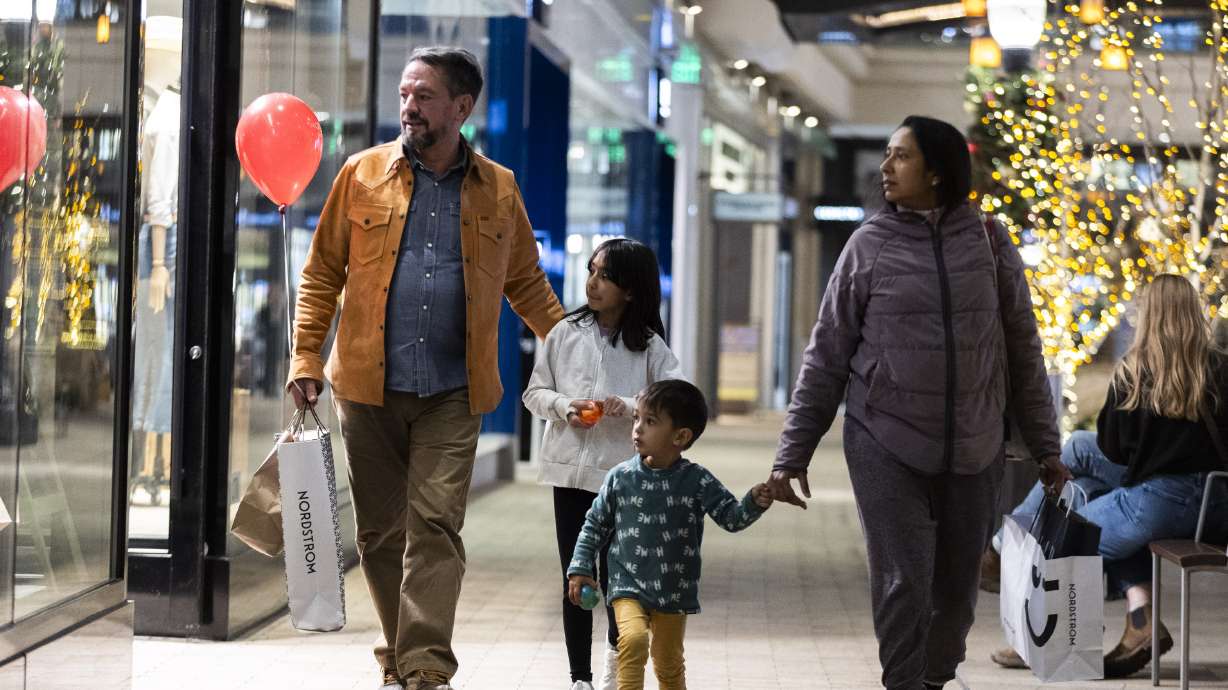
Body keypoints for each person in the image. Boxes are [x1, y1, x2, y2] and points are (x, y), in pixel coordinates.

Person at [287, 47, 564, 690]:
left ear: (462, 108)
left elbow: (527, 284)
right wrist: (306, 356)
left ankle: (425, 667)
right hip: (366, 384)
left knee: (436, 526)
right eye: (405, 94)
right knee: (381, 534)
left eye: (424, 96)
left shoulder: (499, 188)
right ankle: (401, 652)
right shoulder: (360, 174)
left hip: (455, 390)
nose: (409, 107)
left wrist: (574, 352)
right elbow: (322, 273)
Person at [766, 115, 1070, 690]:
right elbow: (826, 353)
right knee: (903, 579)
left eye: (899, 156)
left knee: (955, 596)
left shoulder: (988, 240)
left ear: (936, 169)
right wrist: (792, 454)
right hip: (886, 439)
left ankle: (932, 678)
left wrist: (1045, 446)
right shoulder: (868, 245)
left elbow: (1022, 348)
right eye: (886, 155)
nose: (885, 168)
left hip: (975, 445)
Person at [985, 273, 1228, 677]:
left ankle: (1044, 639)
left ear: (1148, 315)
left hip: (1160, 502)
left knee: (1070, 531)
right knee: (1081, 451)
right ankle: (1140, 619)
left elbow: (1115, 449)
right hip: (1216, 503)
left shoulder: (1135, 372)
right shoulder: (1221, 367)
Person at [523, 238, 684, 690]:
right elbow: (533, 393)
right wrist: (565, 406)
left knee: (620, 576)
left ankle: (619, 664)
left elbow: (675, 398)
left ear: (631, 290)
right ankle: (580, 678)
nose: (592, 283)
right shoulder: (564, 332)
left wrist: (632, 405)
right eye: (592, 272)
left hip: (623, 480)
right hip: (569, 475)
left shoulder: (650, 346)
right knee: (576, 574)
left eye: (605, 276)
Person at [567, 379, 772, 690]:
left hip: (673, 591)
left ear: (681, 436)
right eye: (637, 418)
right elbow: (594, 524)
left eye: (650, 422)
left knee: (668, 663)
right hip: (627, 584)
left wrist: (753, 502)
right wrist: (581, 568)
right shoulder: (620, 478)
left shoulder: (697, 481)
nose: (637, 428)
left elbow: (731, 518)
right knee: (633, 642)